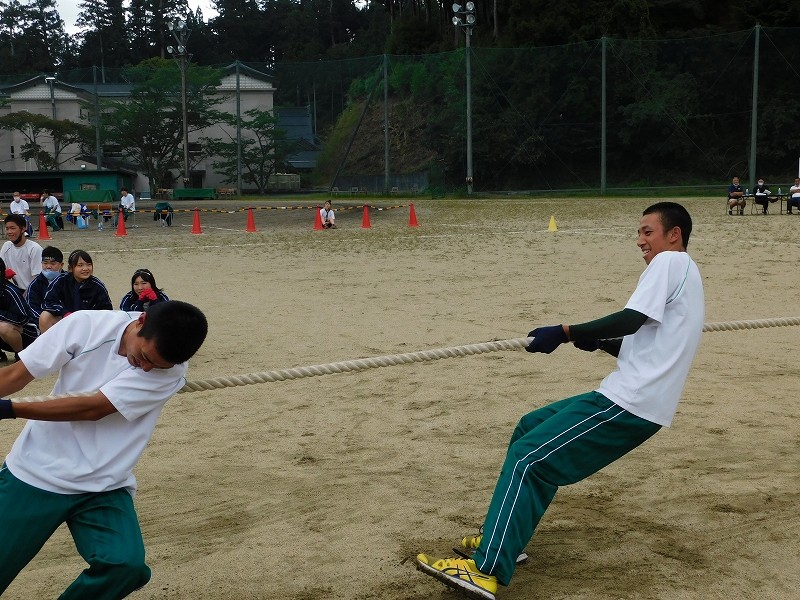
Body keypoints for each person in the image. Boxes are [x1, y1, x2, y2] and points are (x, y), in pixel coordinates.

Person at [415, 202, 705, 600]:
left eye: (647, 232)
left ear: (674, 235)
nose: (639, 240)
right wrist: (601, 342)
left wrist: (567, 331)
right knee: (530, 427)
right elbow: (649, 346)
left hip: (629, 402)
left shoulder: (669, 262)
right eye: (638, 233)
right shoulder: (689, 274)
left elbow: (632, 317)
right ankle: (503, 538)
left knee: (528, 459)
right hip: (630, 396)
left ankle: (486, 569)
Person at [0, 300, 208, 598]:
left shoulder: (171, 371)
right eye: (145, 356)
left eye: (156, 366)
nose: (146, 368)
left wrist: (9, 409)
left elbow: (94, 408)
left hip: (104, 484)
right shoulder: (85, 325)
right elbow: (14, 376)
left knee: (125, 566)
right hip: (36, 472)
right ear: (141, 321)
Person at [39, 250, 112, 333]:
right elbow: (48, 302)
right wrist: (65, 313)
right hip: (66, 320)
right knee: (45, 316)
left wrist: (88, 319)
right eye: (80, 265)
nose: (85, 269)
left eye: (89, 264)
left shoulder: (97, 285)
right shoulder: (61, 280)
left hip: (89, 325)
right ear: (71, 268)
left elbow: (107, 310)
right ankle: (51, 341)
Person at [0, 214, 43, 294]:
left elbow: (37, 279)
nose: (9, 232)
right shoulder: (6, 246)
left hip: (35, 292)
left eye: (13, 228)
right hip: (18, 290)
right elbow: (2, 269)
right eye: (7, 228)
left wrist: (24, 296)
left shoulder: (34, 249)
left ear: (23, 229)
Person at [25, 245, 64, 331]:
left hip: (67, 319)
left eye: (53, 263)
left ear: (61, 265)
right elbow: (31, 307)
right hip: (44, 324)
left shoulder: (68, 280)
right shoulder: (35, 285)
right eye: (45, 263)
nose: (48, 266)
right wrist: (45, 321)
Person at [0, 256, 31, 363]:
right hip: (5, 337)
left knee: (3, 327)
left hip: (25, 334)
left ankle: (20, 355)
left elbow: (24, 318)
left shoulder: (9, 291)